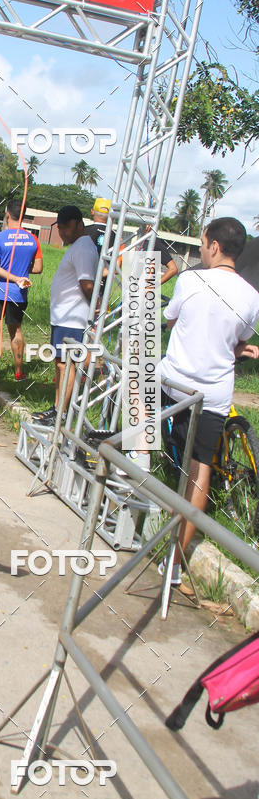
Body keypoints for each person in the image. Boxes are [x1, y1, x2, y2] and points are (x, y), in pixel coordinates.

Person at [160, 217, 259, 584]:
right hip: (215, 396)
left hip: (175, 386)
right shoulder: (251, 296)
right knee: (200, 472)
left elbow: (170, 322)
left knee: (147, 423)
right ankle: (173, 563)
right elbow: (237, 338)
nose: (201, 250)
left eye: (202, 243)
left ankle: (140, 488)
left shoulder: (190, 279)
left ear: (214, 246)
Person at [32, 205, 99, 425]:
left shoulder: (84, 248)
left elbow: (87, 284)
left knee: (67, 364)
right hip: (63, 318)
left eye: (66, 227)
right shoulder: (79, 246)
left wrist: (95, 312)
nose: (62, 232)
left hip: (74, 320)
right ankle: (57, 409)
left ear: (79, 224)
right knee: (61, 364)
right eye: (59, 228)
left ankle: (60, 413)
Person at [0, 199, 43, 382]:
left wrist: (13, 277)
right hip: (18, 293)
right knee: (15, 331)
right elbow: (38, 268)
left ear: (8, 214)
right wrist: (21, 274)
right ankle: (19, 372)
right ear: (23, 216)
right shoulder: (33, 239)